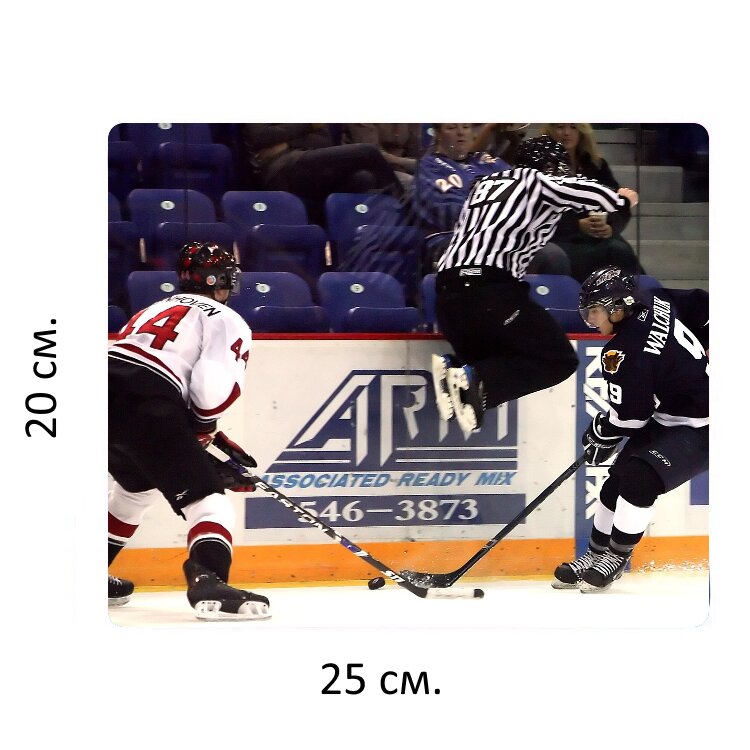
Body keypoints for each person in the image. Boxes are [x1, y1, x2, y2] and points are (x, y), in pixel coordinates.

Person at [431, 135, 640, 434]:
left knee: (497, 356)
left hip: (446, 297)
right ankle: (473, 377)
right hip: (488, 292)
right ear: (551, 167)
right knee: (559, 360)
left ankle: (456, 367)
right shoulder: (536, 180)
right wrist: (621, 200)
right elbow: (589, 194)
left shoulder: (483, 185)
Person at [107, 242, 270, 621]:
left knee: (134, 490)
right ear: (220, 282)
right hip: (145, 400)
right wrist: (202, 427)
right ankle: (209, 580)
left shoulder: (154, 308)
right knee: (209, 501)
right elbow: (211, 389)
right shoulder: (226, 318)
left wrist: (202, 437)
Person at [553, 266, 709, 592]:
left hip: (705, 426)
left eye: (595, 311)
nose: (589, 319)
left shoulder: (621, 352)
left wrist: (600, 431)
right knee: (617, 481)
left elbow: (631, 419)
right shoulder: (655, 300)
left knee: (640, 479)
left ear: (617, 306)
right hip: (671, 416)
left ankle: (615, 557)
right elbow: (703, 305)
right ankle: (594, 555)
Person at [411, 124, 571, 275]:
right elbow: (445, 212)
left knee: (555, 254)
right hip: (454, 239)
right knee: (545, 256)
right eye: (452, 127)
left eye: (465, 127)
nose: (460, 132)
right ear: (438, 134)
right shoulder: (428, 168)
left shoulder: (488, 162)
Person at [242, 124, 405, 225]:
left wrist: (286, 140)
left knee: (363, 178)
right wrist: (309, 126)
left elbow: (323, 142)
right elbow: (261, 137)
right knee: (368, 152)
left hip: (311, 165)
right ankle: (408, 215)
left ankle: (353, 248)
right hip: (281, 169)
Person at [540, 123, 644, 282]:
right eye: (560, 127)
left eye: (573, 127)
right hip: (560, 237)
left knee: (619, 250)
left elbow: (616, 203)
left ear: (582, 132)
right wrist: (577, 225)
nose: (567, 133)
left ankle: (635, 295)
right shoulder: (539, 166)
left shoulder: (596, 165)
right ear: (550, 130)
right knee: (593, 255)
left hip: (598, 236)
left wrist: (609, 226)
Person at [342, 123, 423, 189]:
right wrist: (404, 162)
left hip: (400, 166)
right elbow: (372, 153)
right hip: (370, 168)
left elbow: (414, 150)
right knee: (414, 183)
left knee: (427, 177)